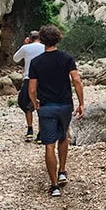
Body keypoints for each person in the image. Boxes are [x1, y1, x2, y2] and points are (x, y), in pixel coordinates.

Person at [28, 25, 85, 197]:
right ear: (58, 38)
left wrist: (35, 102)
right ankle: (62, 171)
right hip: (65, 105)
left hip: (46, 107)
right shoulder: (67, 58)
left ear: (42, 40)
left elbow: (31, 89)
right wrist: (81, 103)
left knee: (49, 145)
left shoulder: (36, 62)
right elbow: (76, 80)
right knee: (63, 136)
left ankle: (54, 186)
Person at [13, 31, 45, 142]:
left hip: (29, 78)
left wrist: (25, 45)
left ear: (29, 38)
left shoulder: (26, 48)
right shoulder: (45, 47)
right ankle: (41, 133)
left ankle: (30, 130)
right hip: (42, 80)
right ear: (40, 38)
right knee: (42, 105)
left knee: (25, 104)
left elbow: (15, 59)